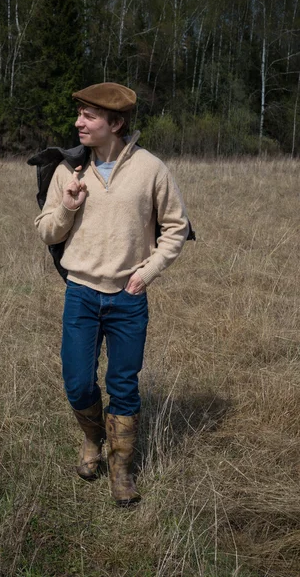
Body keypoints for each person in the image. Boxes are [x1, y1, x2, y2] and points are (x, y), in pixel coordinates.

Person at [34, 82, 189, 506]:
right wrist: (67, 205)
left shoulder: (151, 169)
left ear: (115, 123)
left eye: (88, 116)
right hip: (81, 294)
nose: (78, 123)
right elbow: (45, 229)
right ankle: (92, 441)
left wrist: (150, 270)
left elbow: (176, 227)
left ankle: (121, 469)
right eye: (79, 114)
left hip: (128, 297)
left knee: (123, 384)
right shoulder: (69, 169)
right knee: (79, 382)